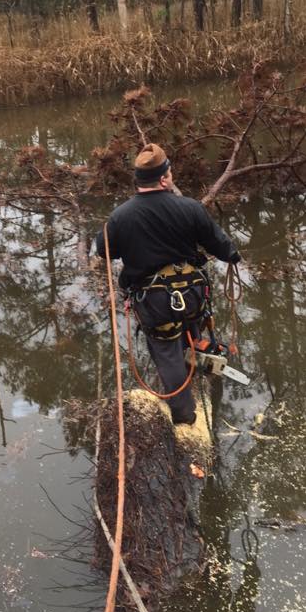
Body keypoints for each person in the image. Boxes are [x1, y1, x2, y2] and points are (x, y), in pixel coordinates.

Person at [95, 143, 241, 425]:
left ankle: (184, 416)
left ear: (138, 180)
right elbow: (220, 244)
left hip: (155, 303)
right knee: (190, 326)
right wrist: (234, 256)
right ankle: (196, 365)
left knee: (166, 352)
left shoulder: (120, 217)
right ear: (164, 178)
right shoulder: (190, 208)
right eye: (170, 172)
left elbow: (104, 251)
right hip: (193, 294)